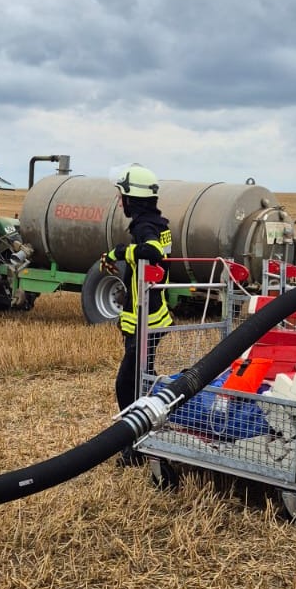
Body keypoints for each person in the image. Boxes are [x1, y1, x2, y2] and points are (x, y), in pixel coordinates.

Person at [102, 164, 173, 464]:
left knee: (127, 384)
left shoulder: (145, 227)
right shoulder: (157, 222)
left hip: (147, 320)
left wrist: (120, 252)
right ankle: (149, 436)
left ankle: (134, 446)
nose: (120, 201)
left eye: (122, 196)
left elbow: (153, 253)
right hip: (150, 317)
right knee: (143, 380)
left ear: (132, 198)